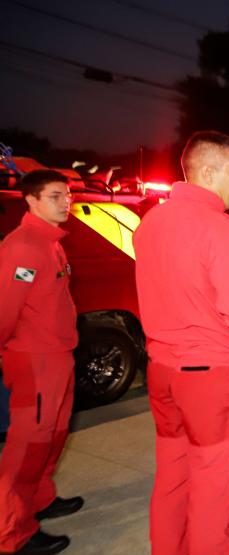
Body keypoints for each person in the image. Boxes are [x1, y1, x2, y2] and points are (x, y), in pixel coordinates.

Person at [133, 131, 229, 554]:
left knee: (173, 476)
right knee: (214, 485)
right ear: (207, 172)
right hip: (211, 377)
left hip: (163, 371)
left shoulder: (151, 222)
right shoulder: (225, 231)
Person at [0, 170, 82, 555]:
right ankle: (12, 532)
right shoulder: (22, 247)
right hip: (35, 360)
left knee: (54, 434)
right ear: (31, 200)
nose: (66, 202)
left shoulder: (51, 242)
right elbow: (5, 312)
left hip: (59, 356)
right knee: (27, 447)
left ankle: (41, 499)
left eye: (67, 195)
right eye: (55, 196)